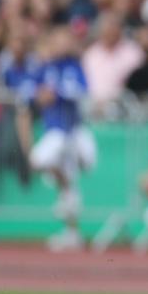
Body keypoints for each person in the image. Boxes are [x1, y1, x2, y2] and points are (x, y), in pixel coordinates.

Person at [30, 25, 97, 251]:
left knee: (64, 172)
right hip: (54, 129)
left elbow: (82, 91)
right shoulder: (45, 67)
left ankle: (71, 227)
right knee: (43, 164)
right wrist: (40, 95)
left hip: (70, 131)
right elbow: (30, 90)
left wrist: (55, 92)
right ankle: (70, 219)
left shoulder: (73, 66)